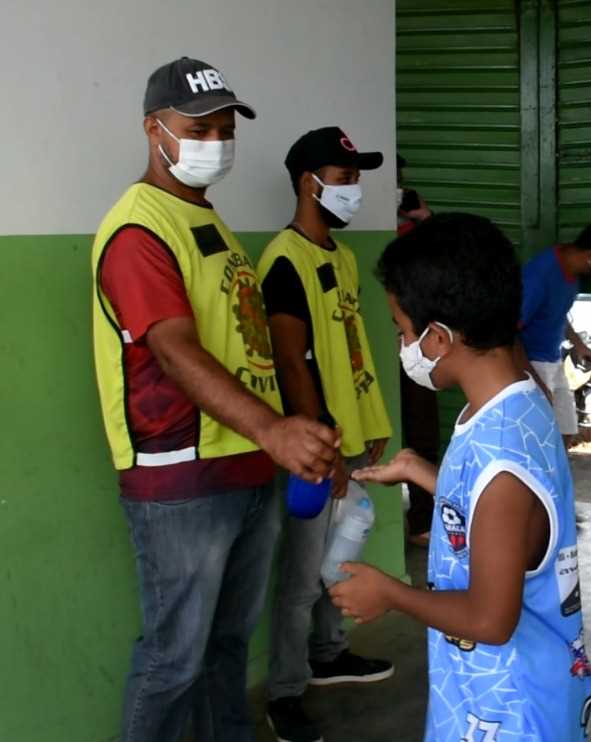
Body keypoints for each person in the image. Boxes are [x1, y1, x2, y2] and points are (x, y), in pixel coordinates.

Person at [91, 57, 339, 742]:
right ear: (155, 129)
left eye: (226, 130)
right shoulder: (139, 229)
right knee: (174, 659)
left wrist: (283, 432)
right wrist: (275, 430)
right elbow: (174, 350)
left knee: (227, 647)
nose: (217, 142)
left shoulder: (204, 217)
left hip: (244, 463)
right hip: (182, 474)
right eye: (199, 129)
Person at [330, 213, 591, 740]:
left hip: (509, 713)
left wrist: (391, 593)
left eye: (403, 331)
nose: (402, 345)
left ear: (438, 338)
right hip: (496, 692)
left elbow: (489, 619)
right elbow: (504, 517)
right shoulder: (519, 402)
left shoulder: (501, 458)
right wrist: (423, 472)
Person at [258, 127, 396, 742]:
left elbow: (349, 347)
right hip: (313, 448)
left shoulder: (340, 257)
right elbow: (291, 361)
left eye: (356, 178)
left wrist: (371, 422)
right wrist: (321, 445)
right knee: (300, 576)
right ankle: (285, 692)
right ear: (307, 183)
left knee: (337, 556)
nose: (354, 190)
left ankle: (328, 653)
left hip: (346, 436)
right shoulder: (284, 260)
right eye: (344, 178)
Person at [515, 220, 591, 446]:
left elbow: (555, 312)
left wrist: (579, 345)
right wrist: (535, 380)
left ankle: (558, 469)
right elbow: (509, 333)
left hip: (552, 362)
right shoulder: (539, 276)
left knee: (565, 430)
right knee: (537, 440)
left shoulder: (571, 272)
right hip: (530, 365)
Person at [394, 153, 438, 546]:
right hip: (380, 342)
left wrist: (425, 220)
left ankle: (422, 520)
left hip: (415, 344)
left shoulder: (417, 230)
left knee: (422, 430)